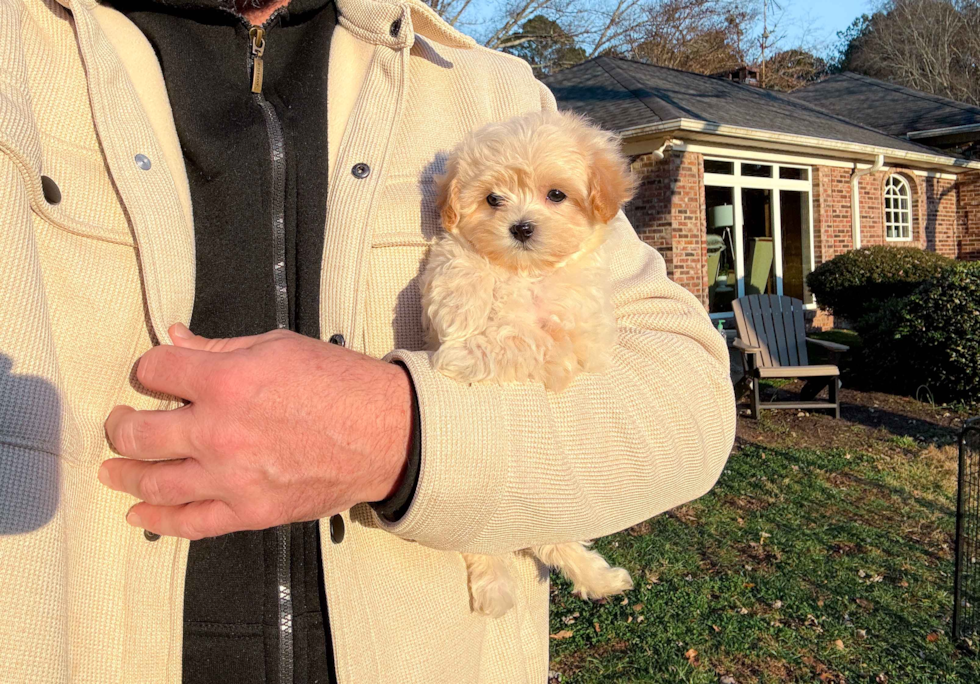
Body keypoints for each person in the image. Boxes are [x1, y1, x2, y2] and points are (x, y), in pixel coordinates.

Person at [0, 0, 737, 680]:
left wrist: (399, 435)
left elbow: (691, 407)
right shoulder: (18, 50)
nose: (524, 212)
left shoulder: (495, 94)